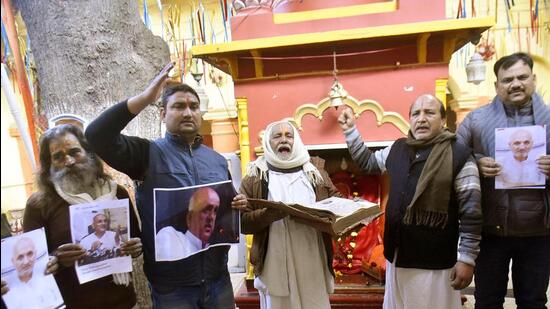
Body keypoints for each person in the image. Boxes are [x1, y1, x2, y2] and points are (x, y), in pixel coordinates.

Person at [85, 62, 248, 308]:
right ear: (162, 113)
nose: (187, 113)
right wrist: (144, 98)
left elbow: (227, 208)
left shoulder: (215, 160)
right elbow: (97, 135)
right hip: (172, 288)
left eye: (194, 107)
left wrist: (238, 203)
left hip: (218, 279)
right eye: (178, 106)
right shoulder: (145, 154)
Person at [339, 94, 482, 309]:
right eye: (416, 113)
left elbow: (471, 211)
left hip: (434, 264)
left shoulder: (459, 155)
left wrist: (467, 259)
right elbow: (368, 163)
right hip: (397, 259)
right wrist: (350, 130)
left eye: (429, 113)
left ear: (443, 120)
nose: (421, 119)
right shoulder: (398, 148)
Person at [457, 52, 550, 308]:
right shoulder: (476, 120)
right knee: (487, 301)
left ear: (533, 78)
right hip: (490, 231)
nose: (516, 84)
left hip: (539, 231)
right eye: (507, 80)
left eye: (522, 77)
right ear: (496, 86)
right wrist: (476, 164)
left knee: (533, 302)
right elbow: (453, 158)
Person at [23, 124, 143, 308]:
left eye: (74, 152)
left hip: (123, 301)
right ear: (49, 165)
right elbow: (31, 264)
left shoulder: (117, 193)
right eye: (58, 157)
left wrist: (136, 247)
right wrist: (57, 259)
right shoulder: (39, 205)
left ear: (89, 154)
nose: (69, 161)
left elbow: (135, 239)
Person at [240, 120, 340, 309]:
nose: (284, 140)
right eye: (277, 136)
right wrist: (269, 215)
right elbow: (242, 223)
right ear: (268, 142)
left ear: (296, 140)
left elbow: (336, 201)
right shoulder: (255, 175)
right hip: (274, 261)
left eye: (289, 135)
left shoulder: (315, 172)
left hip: (312, 258)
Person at [156, 187, 220, 260]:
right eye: (206, 209)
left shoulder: (214, 251)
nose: (211, 217)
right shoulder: (170, 236)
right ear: (189, 217)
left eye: (215, 211)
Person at [1, 237, 63, 309]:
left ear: (36, 254)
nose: (26, 261)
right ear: (13, 261)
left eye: (30, 254)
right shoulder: (10, 292)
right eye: (20, 257)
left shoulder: (48, 278)